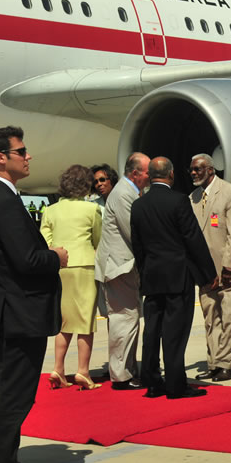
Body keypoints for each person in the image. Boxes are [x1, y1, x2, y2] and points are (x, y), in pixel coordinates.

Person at [0, 126, 67, 463]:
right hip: (18, 313)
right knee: (15, 396)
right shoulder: (2, 199)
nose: (28, 157)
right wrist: (55, 257)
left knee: (13, 394)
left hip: (9, 310)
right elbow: (25, 260)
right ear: (0, 158)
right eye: (21, 151)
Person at [131, 157, 217, 399]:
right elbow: (193, 239)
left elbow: (137, 245)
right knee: (174, 333)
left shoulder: (139, 205)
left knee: (152, 330)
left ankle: (151, 380)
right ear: (170, 175)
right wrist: (208, 274)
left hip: (152, 276)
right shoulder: (178, 200)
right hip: (177, 276)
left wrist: (145, 270)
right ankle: (175, 384)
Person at [188, 153, 231, 382]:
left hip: (228, 269)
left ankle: (229, 363)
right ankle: (214, 362)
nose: (194, 173)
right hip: (206, 272)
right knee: (210, 318)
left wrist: (228, 267)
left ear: (211, 170)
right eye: (192, 170)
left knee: (229, 317)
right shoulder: (193, 197)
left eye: (198, 169)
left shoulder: (229, 192)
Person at [40, 165, 102, 390]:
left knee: (64, 321)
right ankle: (83, 371)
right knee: (85, 322)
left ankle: (58, 368)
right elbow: (98, 238)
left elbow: (44, 241)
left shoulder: (51, 210)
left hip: (60, 267)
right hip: (84, 264)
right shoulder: (91, 209)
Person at [94, 152, 150, 390]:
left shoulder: (128, 192)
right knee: (123, 319)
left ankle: (127, 370)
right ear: (135, 173)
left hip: (123, 267)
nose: (150, 176)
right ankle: (121, 376)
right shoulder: (124, 194)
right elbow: (134, 232)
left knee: (129, 319)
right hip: (119, 268)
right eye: (148, 172)